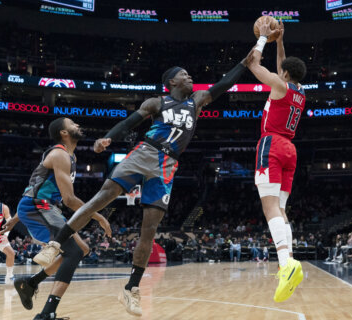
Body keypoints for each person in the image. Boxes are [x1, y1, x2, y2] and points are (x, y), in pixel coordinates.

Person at [32, 56, 249, 316]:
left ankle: (131, 288)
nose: (190, 77)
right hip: (144, 153)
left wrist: (246, 62)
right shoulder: (157, 102)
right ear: (172, 81)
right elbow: (129, 123)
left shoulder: (197, 101)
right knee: (103, 198)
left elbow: (224, 84)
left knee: (150, 229)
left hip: (168, 165)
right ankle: (55, 244)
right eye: (184, 74)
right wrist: (108, 138)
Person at [0, 118, 111, 320]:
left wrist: (16, 218)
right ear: (63, 132)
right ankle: (46, 314)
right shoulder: (59, 154)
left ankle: (31, 283)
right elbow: (69, 199)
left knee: (83, 250)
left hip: (41, 206)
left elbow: (36, 184)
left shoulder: (70, 156)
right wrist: (99, 216)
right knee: (74, 251)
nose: (77, 125)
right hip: (38, 207)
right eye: (72, 123)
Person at [246, 19, 306, 302]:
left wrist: (263, 38)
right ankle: (290, 261)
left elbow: (252, 64)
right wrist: (280, 41)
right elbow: (283, 66)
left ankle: (285, 265)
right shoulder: (299, 91)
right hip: (290, 150)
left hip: (271, 144)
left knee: (269, 207)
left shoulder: (277, 84)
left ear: (283, 73)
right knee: (281, 209)